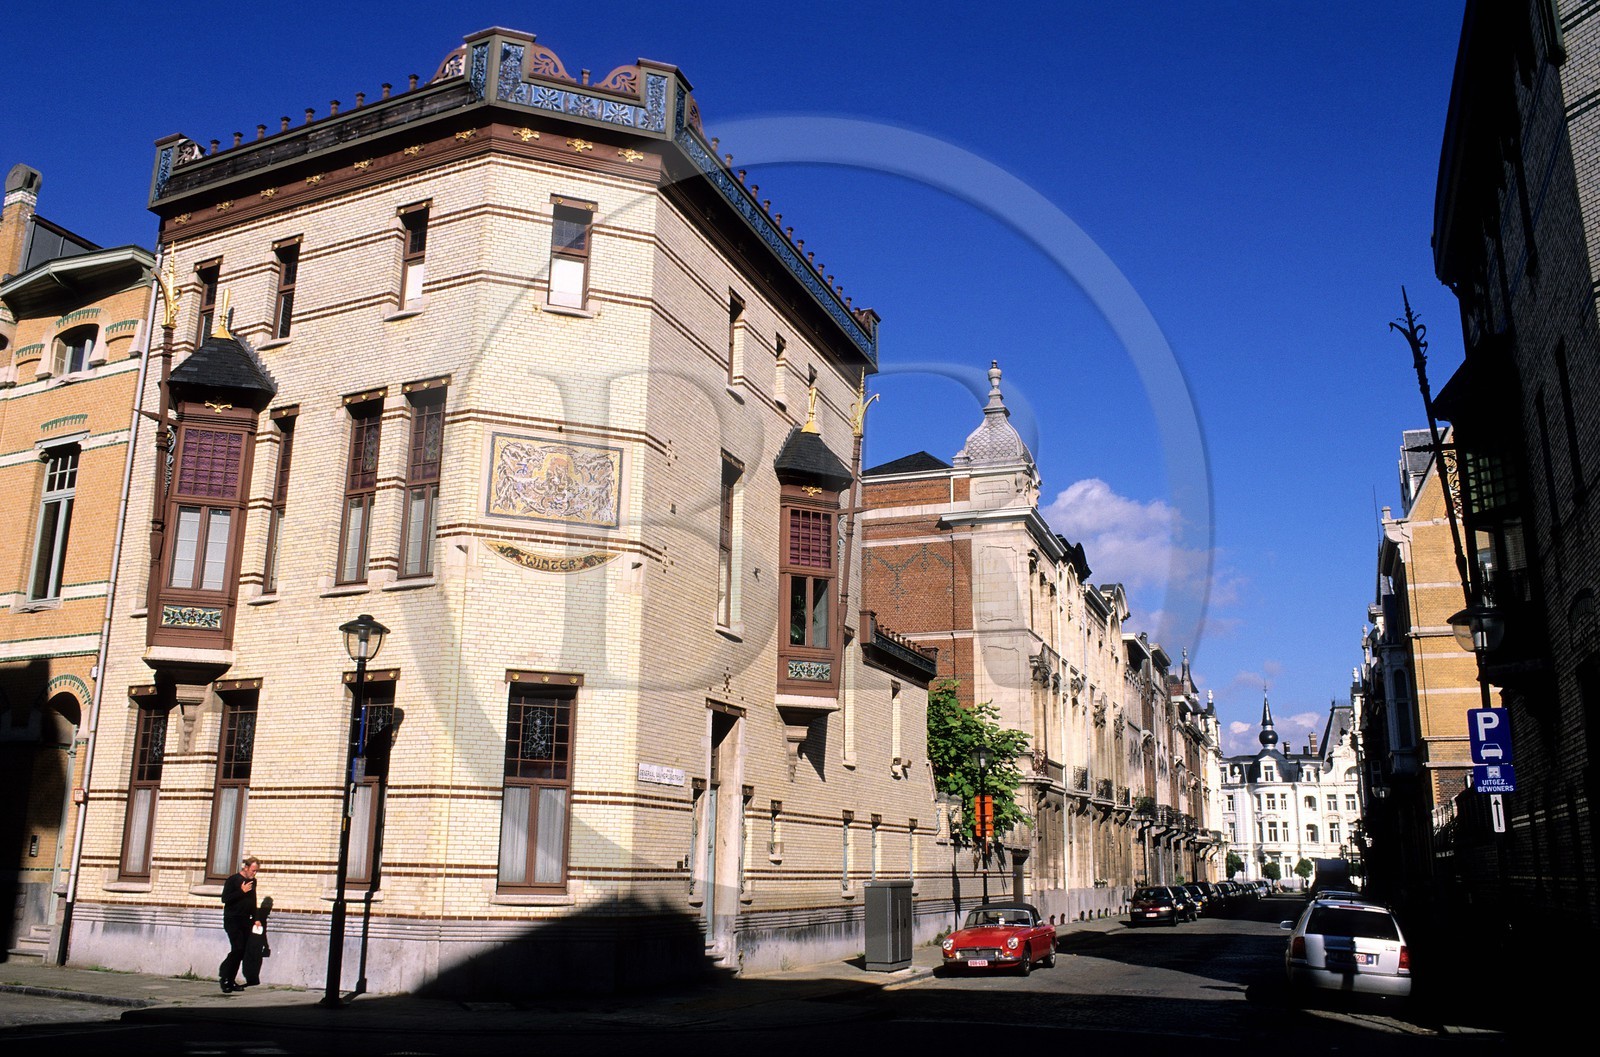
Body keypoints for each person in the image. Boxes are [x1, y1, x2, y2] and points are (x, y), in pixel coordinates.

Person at [219, 855, 260, 993]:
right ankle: (225, 976)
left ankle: (230, 979)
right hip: (232, 919)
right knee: (237, 948)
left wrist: (256, 918)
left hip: (245, 920)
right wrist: (241, 892)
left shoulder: (253, 882)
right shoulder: (233, 880)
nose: (254, 874)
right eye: (252, 870)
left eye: (256, 871)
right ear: (246, 867)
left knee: (241, 951)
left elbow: (253, 900)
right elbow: (225, 899)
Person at [241, 896, 273, 988]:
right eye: (267, 904)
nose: (268, 907)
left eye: (269, 904)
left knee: (253, 961)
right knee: (252, 961)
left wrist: (266, 945)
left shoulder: (260, 914)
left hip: (255, 942)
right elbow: (262, 932)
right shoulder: (260, 914)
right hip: (253, 941)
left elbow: (263, 932)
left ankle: (252, 979)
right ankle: (252, 979)